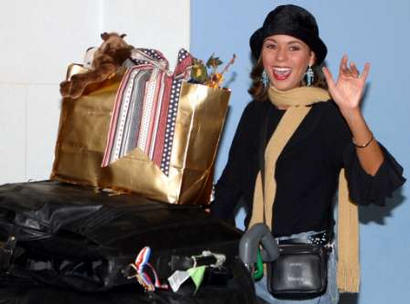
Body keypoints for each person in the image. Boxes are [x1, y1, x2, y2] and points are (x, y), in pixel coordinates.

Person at [210, 4, 405, 304]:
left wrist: (352, 113)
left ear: (311, 58)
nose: (281, 57)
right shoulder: (254, 114)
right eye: (271, 45)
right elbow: (228, 190)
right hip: (253, 266)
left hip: (302, 275)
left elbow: (376, 182)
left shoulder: (328, 116)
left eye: (294, 47)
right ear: (261, 54)